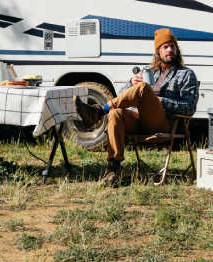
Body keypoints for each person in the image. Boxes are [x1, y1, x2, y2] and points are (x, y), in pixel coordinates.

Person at [75, 28, 198, 185]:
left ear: (177, 50)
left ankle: (97, 112)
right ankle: (114, 168)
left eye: (172, 46)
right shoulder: (150, 72)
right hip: (138, 121)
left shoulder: (186, 74)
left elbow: (190, 107)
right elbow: (121, 97)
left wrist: (161, 101)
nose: (170, 50)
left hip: (164, 123)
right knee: (116, 113)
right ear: (158, 51)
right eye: (165, 47)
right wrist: (130, 83)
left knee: (144, 89)